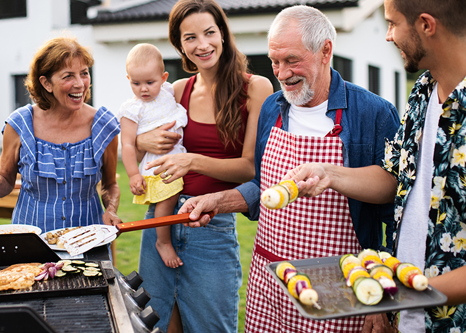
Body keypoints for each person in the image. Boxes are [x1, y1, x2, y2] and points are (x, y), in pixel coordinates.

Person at [178, 5, 400, 332]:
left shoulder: (373, 113)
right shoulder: (272, 107)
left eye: (292, 60)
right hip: (273, 281)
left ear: (325, 51)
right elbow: (262, 185)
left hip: (342, 286)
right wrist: (219, 201)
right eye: (274, 62)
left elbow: (394, 210)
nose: (281, 74)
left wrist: (383, 299)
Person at [262, 0, 466, 332]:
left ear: (427, 25)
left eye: (392, 23)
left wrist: (399, 292)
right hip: (409, 316)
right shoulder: (422, 94)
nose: (387, 36)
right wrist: (328, 173)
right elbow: (393, 181)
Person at [134, 0, 273, 331]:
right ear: (180, 45)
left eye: (209, 33)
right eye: (190, 38)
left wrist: (192, 161)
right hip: (161, 221)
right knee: (156, 323)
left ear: (223, 34)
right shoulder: (176, 90)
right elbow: (135, 134)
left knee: (213, 326)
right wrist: (142, 142)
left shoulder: (256, 88)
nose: (202, 44)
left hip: (211, 225)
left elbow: (252, 169)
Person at [0, 36, 122, 234]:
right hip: (30, 242)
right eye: (68, 76)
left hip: (87, 240)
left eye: (84, 73)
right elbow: (6, 182)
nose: (80, 83)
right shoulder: (19, 124)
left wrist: (111, 209)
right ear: (46, 83)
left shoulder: (104, 126)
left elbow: (110, 184)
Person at [118, 43, 187, 268]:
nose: (143, 89)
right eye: (135, 83)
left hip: (177, 156)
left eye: (150, 82)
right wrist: (133, 175)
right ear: (128, 79)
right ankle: (162, 241)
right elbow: (127, 144)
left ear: (164, 77)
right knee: (166, 199)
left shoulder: (168, 91)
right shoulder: (132, 109)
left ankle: (164, 239)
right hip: (157, 164)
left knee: (172, 198)